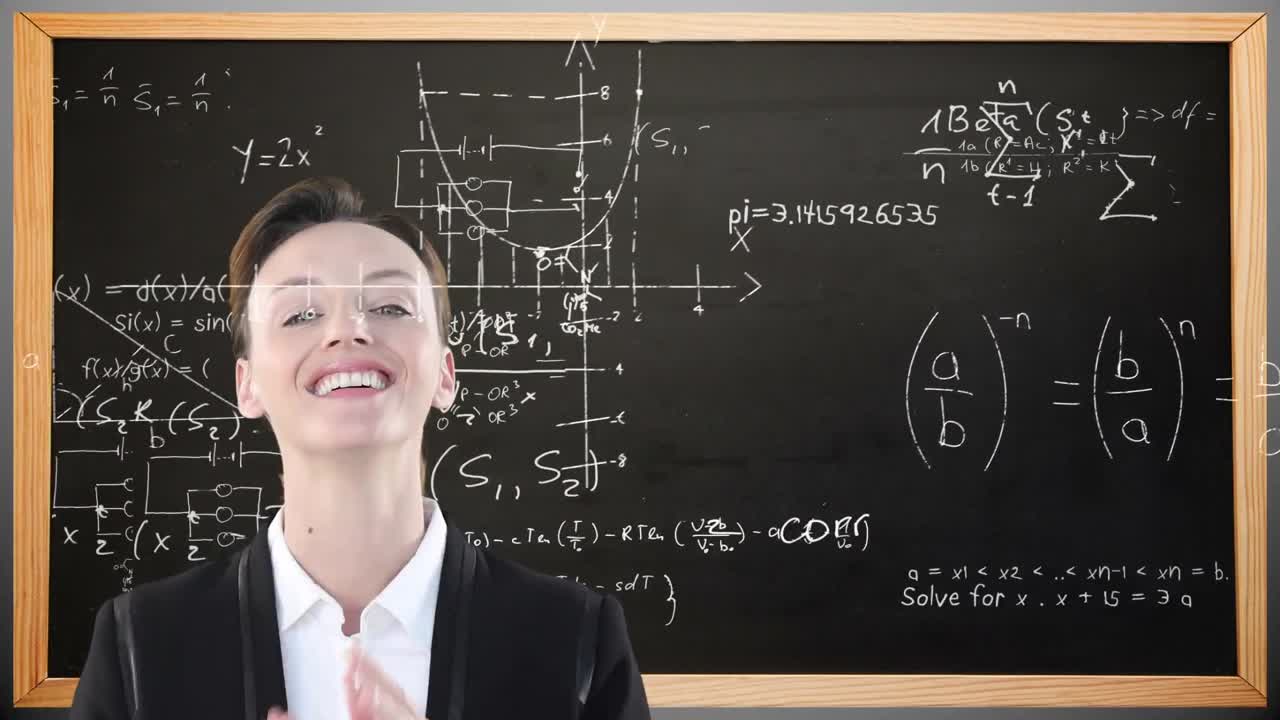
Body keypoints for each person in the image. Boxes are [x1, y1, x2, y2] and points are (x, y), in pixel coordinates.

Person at [70, 176, 651, 720]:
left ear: (445, 374)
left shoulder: (574, 638)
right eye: (300, 313)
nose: (348, 330)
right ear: (247, 384)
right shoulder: (140, 644)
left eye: (390, 307)